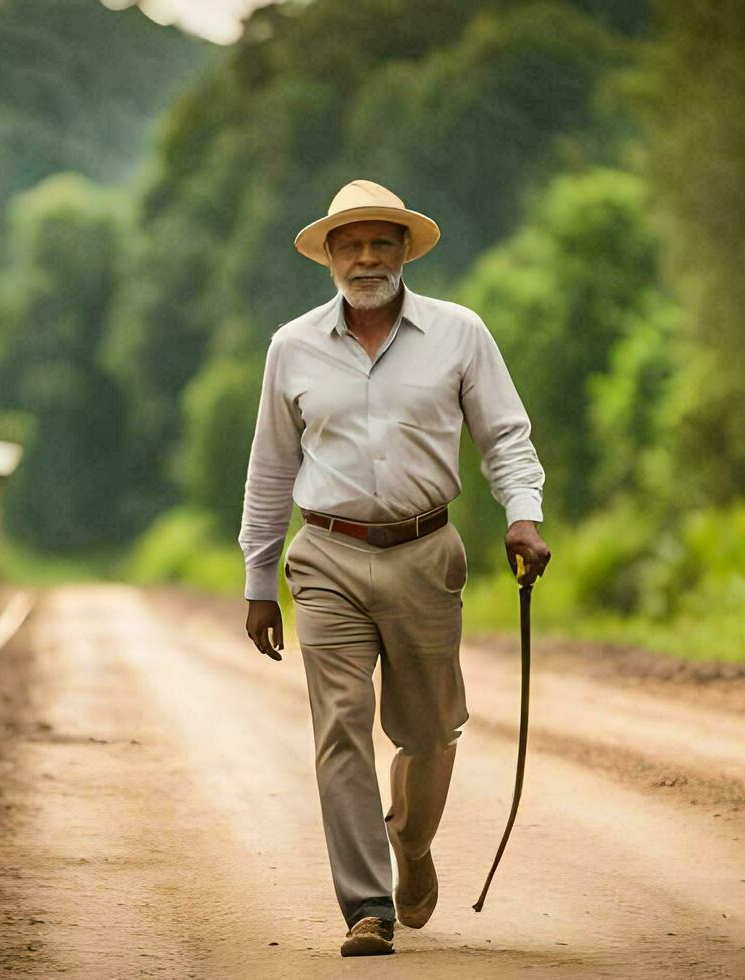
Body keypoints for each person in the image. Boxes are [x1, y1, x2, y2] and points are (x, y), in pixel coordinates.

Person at [238, 179, 552, 957]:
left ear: (406, 251)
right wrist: (258, 582)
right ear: (330, 258)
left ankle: (410, 844)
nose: (367, 256)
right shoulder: (293, 347)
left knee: (429, 732)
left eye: (382, 242)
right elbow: (270, 471)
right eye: (351, 244)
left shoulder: (460, 333)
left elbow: (505, 436)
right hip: (327, 557)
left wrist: (523, 515)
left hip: (424, 552)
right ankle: (366, 905)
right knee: (340, 728)